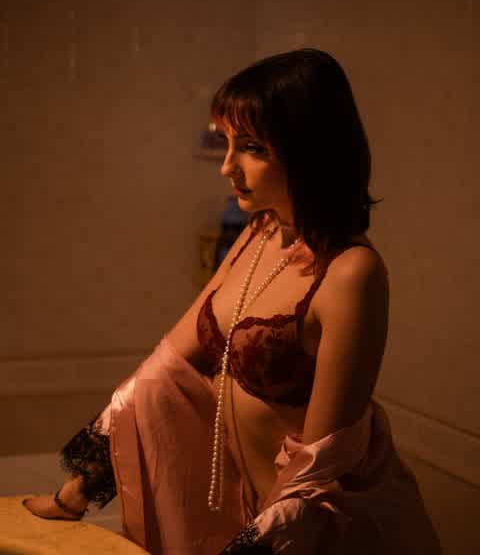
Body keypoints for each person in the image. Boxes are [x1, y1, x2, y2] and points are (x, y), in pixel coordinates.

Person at [23, 49, 442, 554]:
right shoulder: (260, 232)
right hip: (263, 523)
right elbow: (165, 371)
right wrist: (76, 493)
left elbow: (320, 466)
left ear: (309, 149)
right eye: (227, 143)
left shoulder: (352, 273)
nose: (227, 167)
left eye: (251, 148)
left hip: (327, 536)